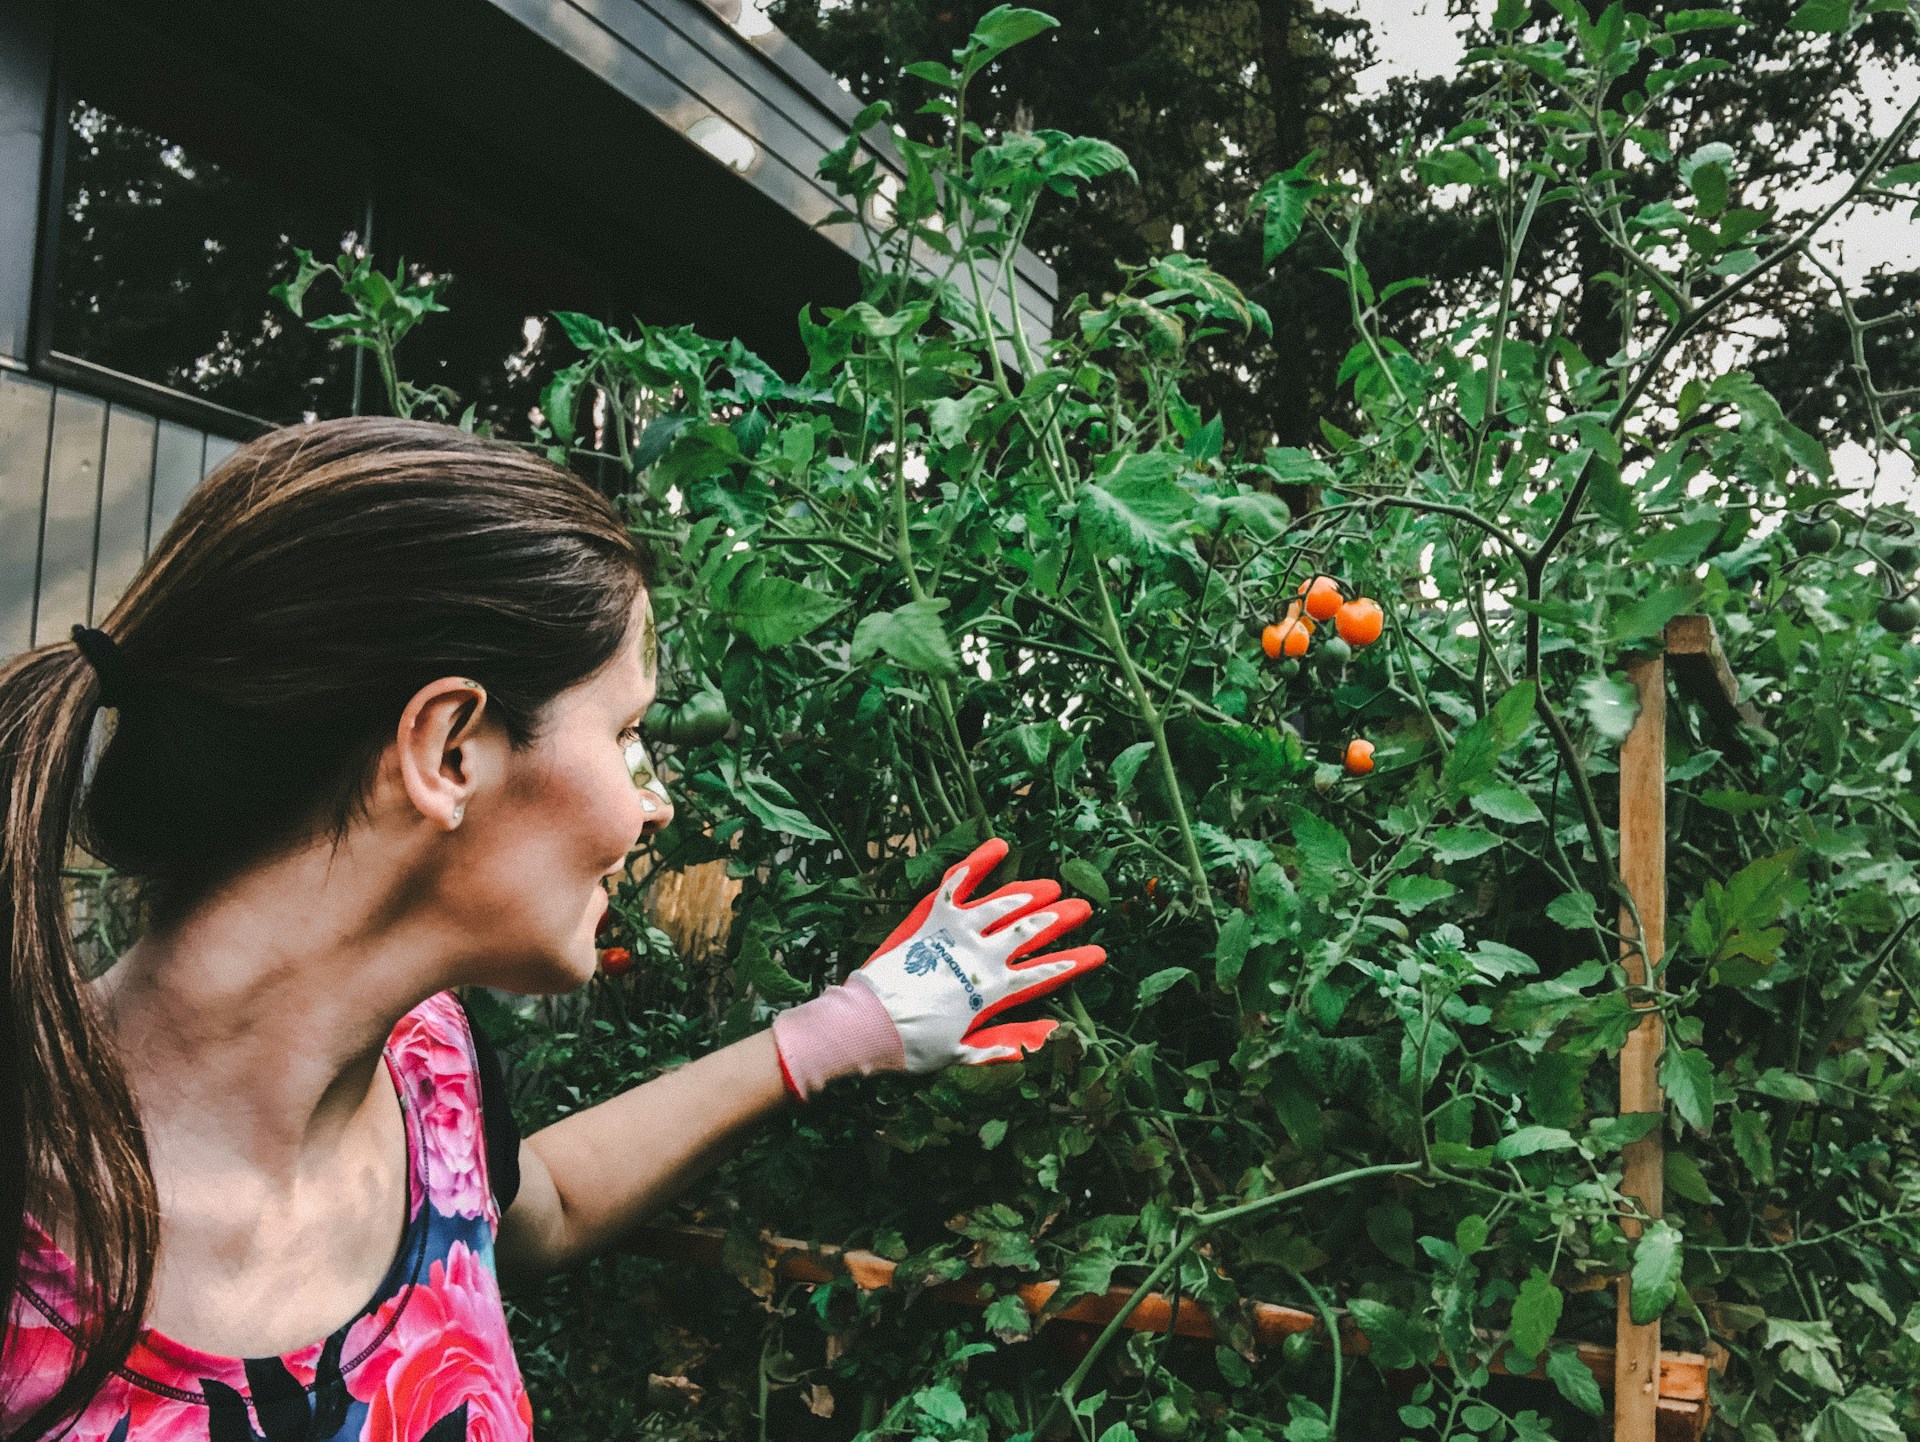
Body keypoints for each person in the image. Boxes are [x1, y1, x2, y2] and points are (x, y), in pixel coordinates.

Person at [0, 417, 1106, 1441]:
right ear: (449, 753)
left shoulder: (428, 1072)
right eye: (627, 732)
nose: (653, 800)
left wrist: (843, 1030)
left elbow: (539, 1207)